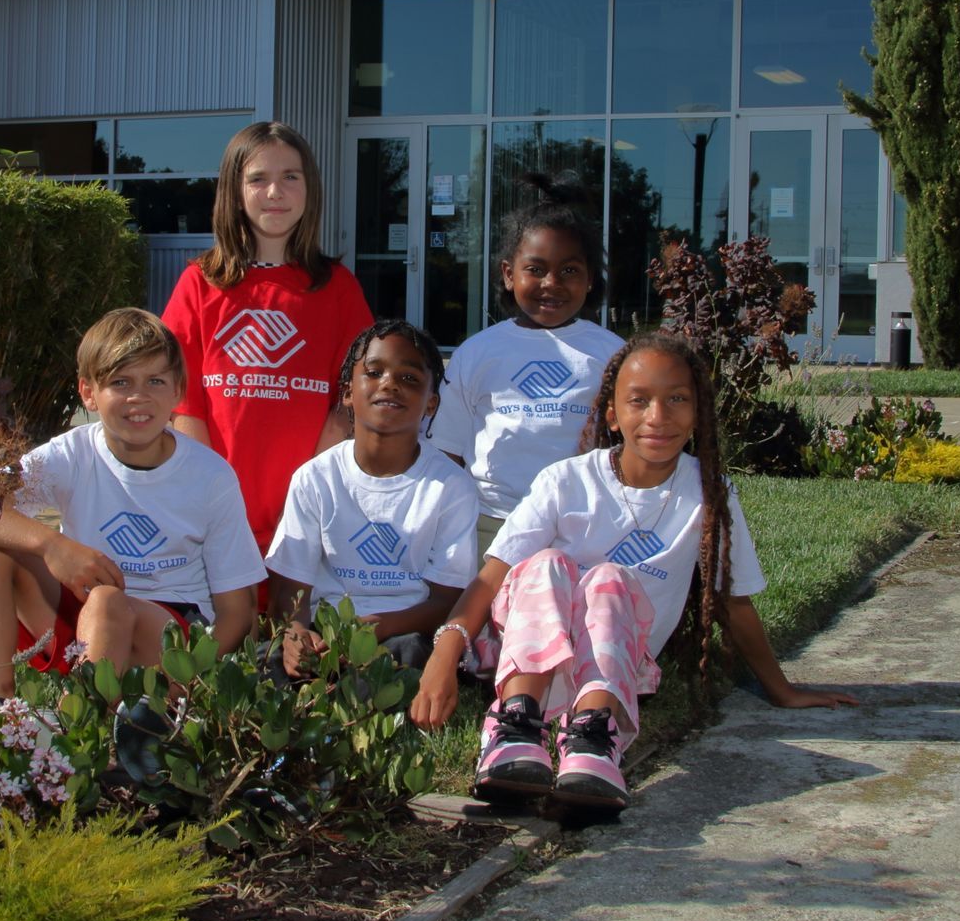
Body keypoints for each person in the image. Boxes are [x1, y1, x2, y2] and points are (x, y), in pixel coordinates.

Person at [411, 332, 855, 813]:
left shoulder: (708, 493)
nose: (658, 418)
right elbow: (493, 576)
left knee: (610, 579)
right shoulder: (565, 481)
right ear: (611, 414)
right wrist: (444, 654)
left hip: (619, 670)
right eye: (638, 401)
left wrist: (781, 689)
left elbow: (734, 600)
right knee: (548, 564)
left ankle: (593, 738)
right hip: (529, 661)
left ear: (699, 413)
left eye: (677, 400)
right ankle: (516, 725)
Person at [0, 308, 265, 722]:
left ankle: (80, 732)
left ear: (178, 390)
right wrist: (53, 545)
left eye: (155, 381)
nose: (139, 397)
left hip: (168, 635)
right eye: (121, 382)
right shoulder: (72, 452)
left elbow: (238, 611)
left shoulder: (210, 476)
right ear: (88, 392)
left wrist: (186, 684)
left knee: (107, 603)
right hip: (87, 624)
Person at [162, 121, 375, 561]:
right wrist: (211, 492)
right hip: (215, 506)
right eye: (258, 179)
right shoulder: (199, 283)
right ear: (234, 192)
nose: (274, 192)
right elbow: (182, 400)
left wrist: (308, 493)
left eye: (290, 177)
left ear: (309, 189)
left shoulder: (338, 287)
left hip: (304, 509)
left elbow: (347, 400)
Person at [266, 321, 479, 677]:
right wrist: (296, 634)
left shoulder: (451, 486)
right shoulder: (315, 478)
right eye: (374, 372)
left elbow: (447, 602)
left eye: (409, 378)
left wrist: (375, 628)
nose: (390, 384)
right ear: (348, 392)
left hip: (404, 629)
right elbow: (291, 590)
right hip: (328, 627)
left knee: (409, 653)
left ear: (432, 403)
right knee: (271, 659)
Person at [430, 174, 623, 553]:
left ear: (589, 280)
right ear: (508, 274)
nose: (551, 282)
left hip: (583, 526)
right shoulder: (478, 352)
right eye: (535, 269)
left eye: (569, 270)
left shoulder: (612, 354)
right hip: (491, 525)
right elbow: (447, 451)